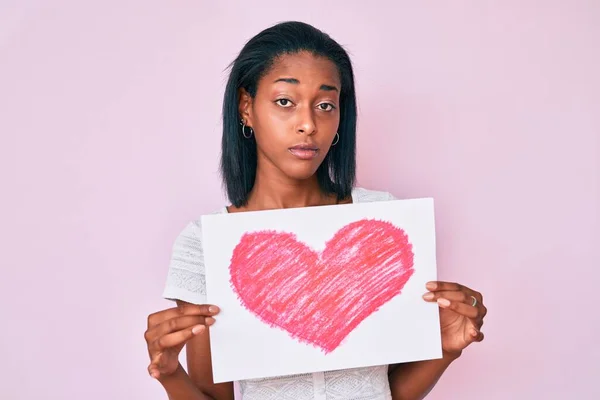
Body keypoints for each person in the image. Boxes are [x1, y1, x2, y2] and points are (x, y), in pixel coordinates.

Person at [144, 21, 487, 400]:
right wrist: (171, 374)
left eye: (325, 105)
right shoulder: (205, 244)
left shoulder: (383, 223)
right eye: (285, 102)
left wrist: (447, 348)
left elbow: (387, 392)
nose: (308, 124)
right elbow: (215, 395)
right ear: (246, 107)